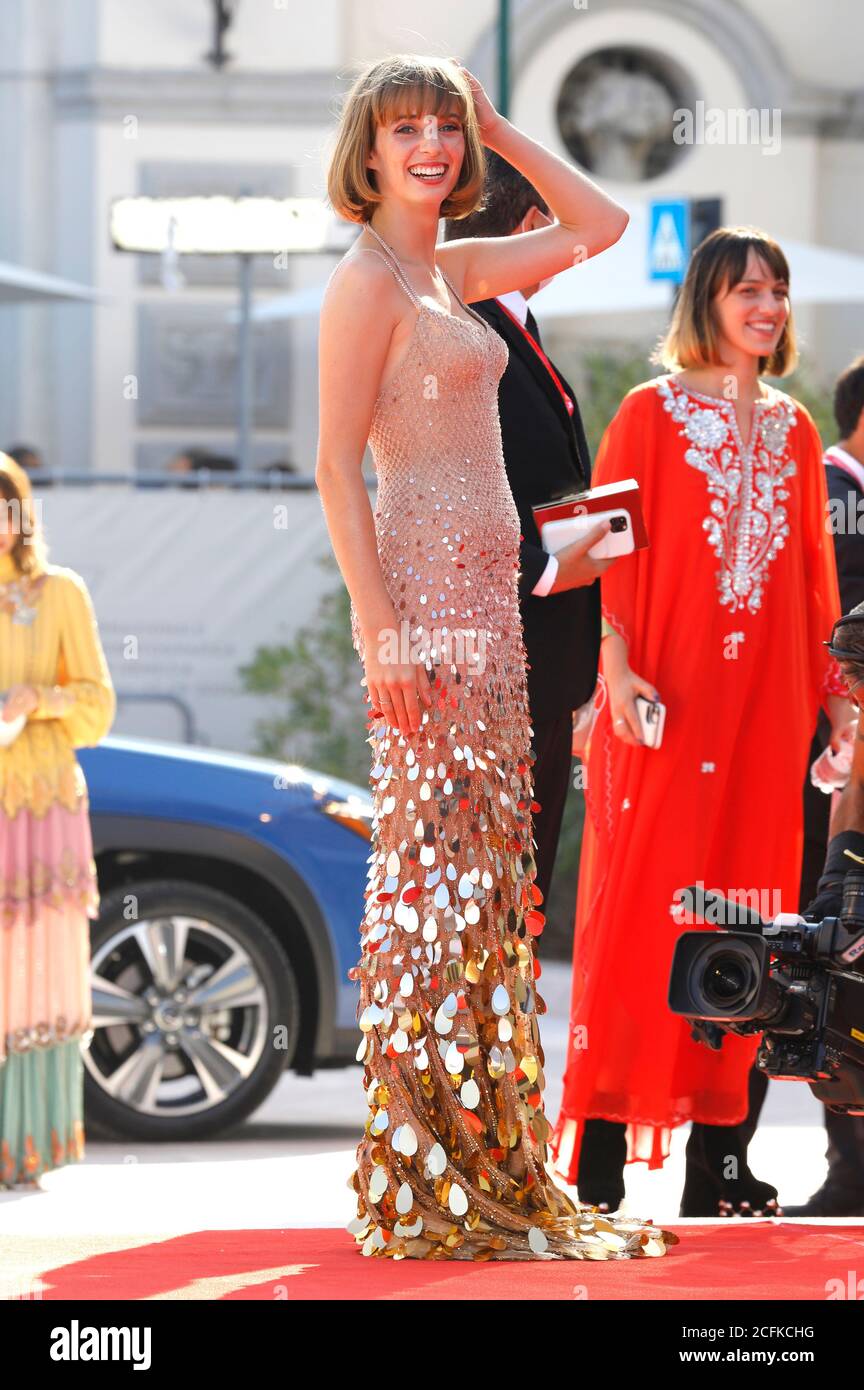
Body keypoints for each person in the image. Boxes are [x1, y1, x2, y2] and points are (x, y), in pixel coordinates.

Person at [316, 53, 676, 1260]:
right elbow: (333, 472)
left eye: (443, 128)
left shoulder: (448, 270)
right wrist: (380, 633)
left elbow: (603, 222)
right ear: (367, 151)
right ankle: (420, 1173)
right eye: (404, 128)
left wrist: (504, 124)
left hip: (499, 616)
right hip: (424, 613)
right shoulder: (368, 282)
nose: (428, 145)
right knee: (429, 893)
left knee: (488, 891)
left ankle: (485, 1158)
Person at [550, 227, 853, 1217]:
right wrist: (619, 667)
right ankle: (596, 1157)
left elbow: (812, 587)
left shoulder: (799, 429)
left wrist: (838, 710)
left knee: (749, 922)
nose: (765, 308)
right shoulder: (649, 411)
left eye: (777, 290)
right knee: (645, 912)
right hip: (664, 710)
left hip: (764, 717)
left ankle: (722, 1160)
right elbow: (605, 552)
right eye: (745, 291)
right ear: (707, 303)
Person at [443, 151, 613, 916]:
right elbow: (443, 491)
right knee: (485, 899)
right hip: (496, 661)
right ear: (536, 227)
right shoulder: (462, 328)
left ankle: (500, 1034)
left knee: (516, 901)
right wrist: (544, 571)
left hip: (543, 664)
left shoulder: (516, 325)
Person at [0, 454, 115, 1187]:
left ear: (21, 514)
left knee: (33, 974)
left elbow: (97, 709)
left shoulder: (60, 592)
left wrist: (35, 701)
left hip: (40, 811)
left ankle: (22, 1148)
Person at [789, 357, 864, 1215]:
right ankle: (849, 1165)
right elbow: (839, 629)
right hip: (846, 768)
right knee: (844, 936)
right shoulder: (837, 487)